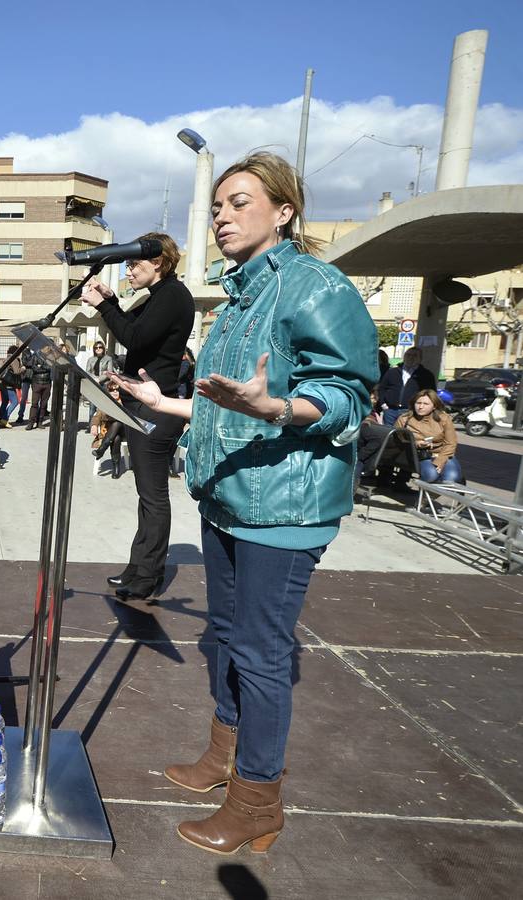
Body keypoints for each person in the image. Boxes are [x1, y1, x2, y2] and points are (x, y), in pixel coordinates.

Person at [112, 151, 377, 854]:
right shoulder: (239, 298)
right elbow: (229, 406)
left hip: (284, 506)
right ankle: (224, 757)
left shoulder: (316, 288)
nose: (223, 217)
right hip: (228, 495)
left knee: (260, 652)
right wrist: (163, 401)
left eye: (240, 202)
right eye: (220, 206)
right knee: (225, 635)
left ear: (284, 212)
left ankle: (258, 799)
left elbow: (350, 396)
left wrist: (283, 406)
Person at [81, 231, 194, 603]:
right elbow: (135, 329)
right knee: (147, 498)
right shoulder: (159, 296)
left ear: (158, 262)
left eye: (134, 264)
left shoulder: (173, 296)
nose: (128, 271)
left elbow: (133, 336)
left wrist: (103, 306)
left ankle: (147, 577)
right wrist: (112, 301)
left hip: (157, 409)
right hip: (143, 404)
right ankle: (137, 567)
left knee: (153, 497)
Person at [395, 389, 463, 484]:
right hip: (418, 455)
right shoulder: (404, 419)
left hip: (442, 454)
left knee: (452, 478)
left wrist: (440, 460)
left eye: (426, 404)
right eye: (418, 403)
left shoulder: (444, 418)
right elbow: (397, 440)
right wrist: (416, 444)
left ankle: (428, 497)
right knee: (431, 475)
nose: (421, 407)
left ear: (434, 406)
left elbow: (451, 443)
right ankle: (424, 497)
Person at [376, 346, 436, 426]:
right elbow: (382, 388)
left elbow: (431, 393)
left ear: (420, 359)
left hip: (410, 411)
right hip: (390, 410)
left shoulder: (426, 375)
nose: (411, 357)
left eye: (415, 355)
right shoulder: (392, 372)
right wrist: (383, 404)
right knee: (388, 434)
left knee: (405, 435)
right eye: (408, 355)